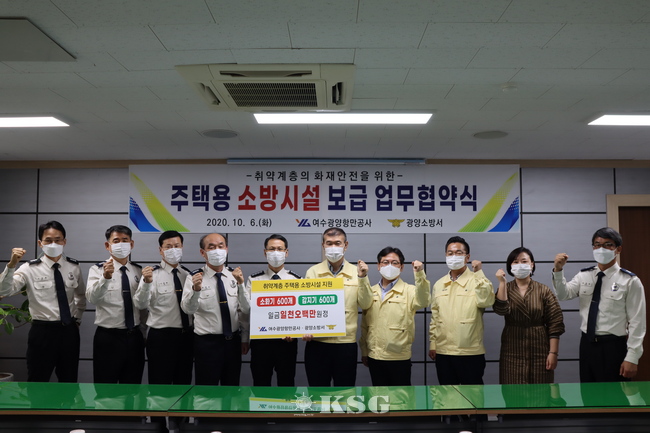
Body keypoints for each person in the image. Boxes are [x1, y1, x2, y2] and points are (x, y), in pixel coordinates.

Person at [553, 227, 646, 382]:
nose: (601, 249)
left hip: (613, 347)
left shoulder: (630, 281)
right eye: (597, 245)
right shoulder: (584, 275)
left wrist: (632, 357)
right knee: (588, 393)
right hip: (587, 345)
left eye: (608, 245)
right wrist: (558, 270)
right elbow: (563, 295)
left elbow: (638, 322)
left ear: (618, 249)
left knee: (615, 395)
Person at [0, 221, 86, 382]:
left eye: (58, 240)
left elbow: (80, 295)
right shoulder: (29, 268)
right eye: (48, 240)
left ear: (64, 242)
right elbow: (4, 291)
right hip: (42, 332)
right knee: (37, 379)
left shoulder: (74, 266)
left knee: (69, 380)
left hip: (69, 332)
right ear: (40, 243)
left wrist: (77, 320)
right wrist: (11, 265)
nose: (53, 244)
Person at [303, 227, 373, 387]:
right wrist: (304, 329)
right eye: (329, 243)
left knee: (345, 392)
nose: (333, 247)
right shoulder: (313, 272)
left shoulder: (357, 272)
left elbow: (366, 304)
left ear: (345, 245)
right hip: (317, 343)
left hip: (345, 344)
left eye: (337, 243)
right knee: (318, 393)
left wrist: (362, 278)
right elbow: (305, 305)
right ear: (323, 245)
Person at [181, 233, 250, 386]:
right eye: (211, 247)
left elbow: (245, 309)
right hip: (207, 344)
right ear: (202, 252)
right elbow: (188, 310)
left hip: (232, 342)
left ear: (226, 249)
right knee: (206, 390)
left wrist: (240, 284)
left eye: (220, 246)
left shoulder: (234, 276)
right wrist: (196, 290)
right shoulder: (194, 277)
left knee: (231, 389)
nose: (217, 251)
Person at [359, 246, 430, 386]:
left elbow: (423, 301)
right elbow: (365, 325)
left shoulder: (409, 290)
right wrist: (365, 350)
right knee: (379, 397)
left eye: (395, 263)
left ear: (401, 267)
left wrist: (420, 274)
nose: (389, 266)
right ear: (378, 266)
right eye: (385, 262)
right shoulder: (370, 291)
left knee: (401, 397)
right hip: (375, 356)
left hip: (399, 357)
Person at [429, 235, 495, 385]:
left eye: (458, 253)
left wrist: (479, 273)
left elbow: (487, 301)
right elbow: (435, 317)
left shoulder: (477, 280)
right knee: (446, 395)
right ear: (446, 256)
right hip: (443, 351)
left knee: (473, 396)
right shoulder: (439, 284)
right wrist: (433, 344)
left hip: (470, 352)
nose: (454, 256)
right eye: (450, 253)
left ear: (467, 257)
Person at [494, 247, 565, 384]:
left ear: (532, 264)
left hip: (540, 349)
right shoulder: (506, 288)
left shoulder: (543, 290)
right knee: (512, 391)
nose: (520, 264)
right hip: (512, 350)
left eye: (524, 261)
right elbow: (500, 310)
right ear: (510, 266)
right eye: (515, 262)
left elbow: (555, 323)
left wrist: (553, 353)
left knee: (541, 391)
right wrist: (502, 283)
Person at [86, 224, 144, 384]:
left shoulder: (138, 271)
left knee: (132, 388)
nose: (121, 244)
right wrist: (105, 277)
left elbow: (142, 306)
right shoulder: (97, 270)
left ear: (131, 244)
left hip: (134, 337)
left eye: (125, 240)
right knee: (105, 388)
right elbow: (92, 298)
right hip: (108, 338)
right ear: (108, 245)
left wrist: (143, 333)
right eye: (116, 241)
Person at [133, 230, 193, 385]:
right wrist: (146, 282)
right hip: (161, 338)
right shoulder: (151, 274)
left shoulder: (188, 275)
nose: (173, 250)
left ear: (182, 247)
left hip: (186, 337)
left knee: (183, 384)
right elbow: (140, 304)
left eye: (177, 246)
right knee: (159, 385)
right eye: (168, 246)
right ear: (161, 250)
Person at [246, 234, 301, 386]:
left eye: (279, 249)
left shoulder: (296, 280)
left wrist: (295, 332)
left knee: (287, 384)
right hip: (260, 342)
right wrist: (244, 338)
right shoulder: (254, 280)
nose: (276, 252)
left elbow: (300, 313)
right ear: (265, 252)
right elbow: (245, 310)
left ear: (286, 252)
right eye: (271, 249)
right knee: (260, 383)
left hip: (287, 342)